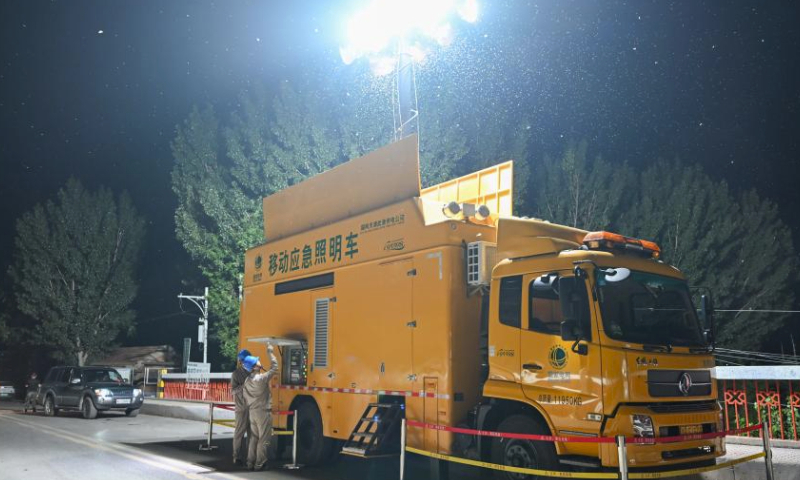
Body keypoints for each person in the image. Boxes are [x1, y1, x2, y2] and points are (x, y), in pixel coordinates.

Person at [242, 346, 279, 471]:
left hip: (252, 412)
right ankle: (260, 463)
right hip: (263, 412)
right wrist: (270, 353)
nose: (259, 361)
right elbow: (275, 368)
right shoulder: (262, 378)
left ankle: (250, 463)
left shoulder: (247, 380)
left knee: (254, 438)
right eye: (257, 361)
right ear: (254, 366)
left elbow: (245, 396)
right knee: (263, 439)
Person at [230, 348, 252, 465]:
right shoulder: (236, 374)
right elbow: (233, 391)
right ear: (241, 361)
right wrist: (244, 386)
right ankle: (236, 456)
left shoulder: (253, 373)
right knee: (239, 433)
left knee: (252, 434)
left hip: (253, 408)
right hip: (241, 408)